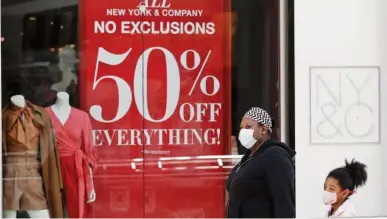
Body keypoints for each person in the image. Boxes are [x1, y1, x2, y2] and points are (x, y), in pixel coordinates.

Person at [226, 107, 296, 218]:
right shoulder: (249, 158)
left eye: (248, 127)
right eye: (242, 128)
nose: (243, 131)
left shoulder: (275, 156)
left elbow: (284, 202)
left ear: (264, 129)